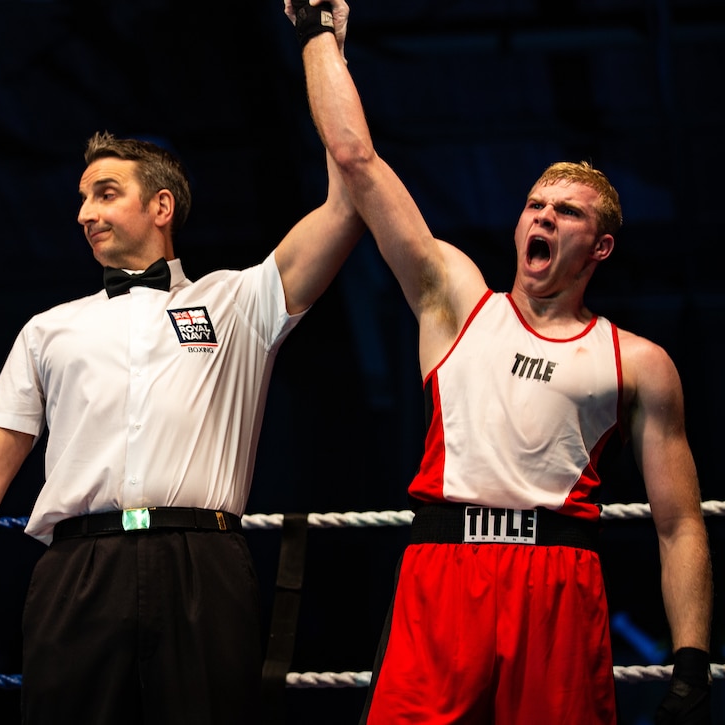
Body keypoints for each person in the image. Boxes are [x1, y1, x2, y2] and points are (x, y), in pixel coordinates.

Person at [285, 1, 714, 722]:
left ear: (599, 246)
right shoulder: (454, 300)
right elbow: (358, 162)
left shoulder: (637, 361)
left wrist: (692, 658)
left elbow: (679, 523)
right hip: (443, 572)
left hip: (561, 583)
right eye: (534, 204)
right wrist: (317, 35)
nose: (542, 217)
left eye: (565, 212)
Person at [0, 123, 365, 723]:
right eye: (82, 199)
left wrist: (325, 48)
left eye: (105, 193)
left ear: (161, 206)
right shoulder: (47, 330)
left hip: (203, 566)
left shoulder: (238, 302)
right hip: (78, 573)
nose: (85, 213)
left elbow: (347, 203)